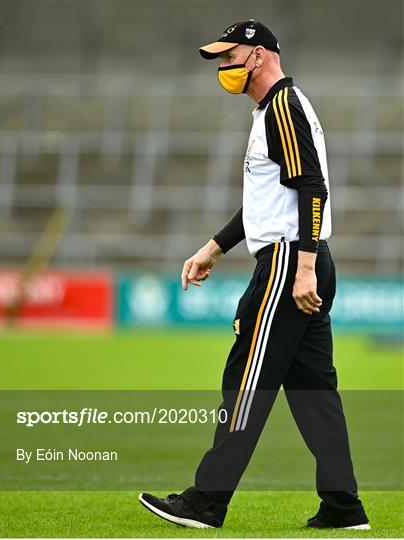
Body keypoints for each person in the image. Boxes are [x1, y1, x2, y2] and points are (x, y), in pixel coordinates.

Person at [139, 19, 369, 531]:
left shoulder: (282, 106)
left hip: (290, 263)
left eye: (229, 56)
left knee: (245, 382)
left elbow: (312, 187)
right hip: (301, 257)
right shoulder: (274, 109)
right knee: (314, 394)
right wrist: (214, 247)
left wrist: (302, 266)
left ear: (258, 55)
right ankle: (343, 506)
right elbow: (271, 200)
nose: (223, 67)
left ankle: (205, 502)